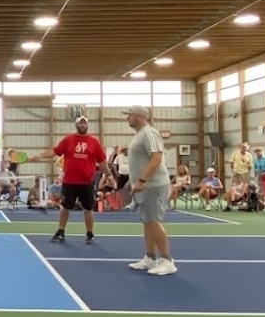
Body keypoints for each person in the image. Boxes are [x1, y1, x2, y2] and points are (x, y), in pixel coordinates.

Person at [28, 115, 112, 244]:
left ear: (87, 125)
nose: (83, 125)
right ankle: (60, 232)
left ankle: (90, 234)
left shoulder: (94, 142)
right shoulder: (68, 140)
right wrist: (40, 156)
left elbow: (102, 161)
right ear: (76, 125)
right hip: (69, 182)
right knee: (65, 208)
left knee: (88, 209)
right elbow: (54, 151)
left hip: (87, 182)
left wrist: (109, 175)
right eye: (80, 123)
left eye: (85, 123)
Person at [123, 105, 175, 275]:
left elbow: (156, 158)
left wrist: (142, 180)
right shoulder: (139, 135)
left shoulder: (150, 133)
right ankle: (150, 258)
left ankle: (167, 261)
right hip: (143, 186)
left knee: (153, 221)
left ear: (139, 116)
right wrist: (133, 181)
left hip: (154, 185)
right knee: (147, 221)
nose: (127, 118)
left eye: (129, 115)